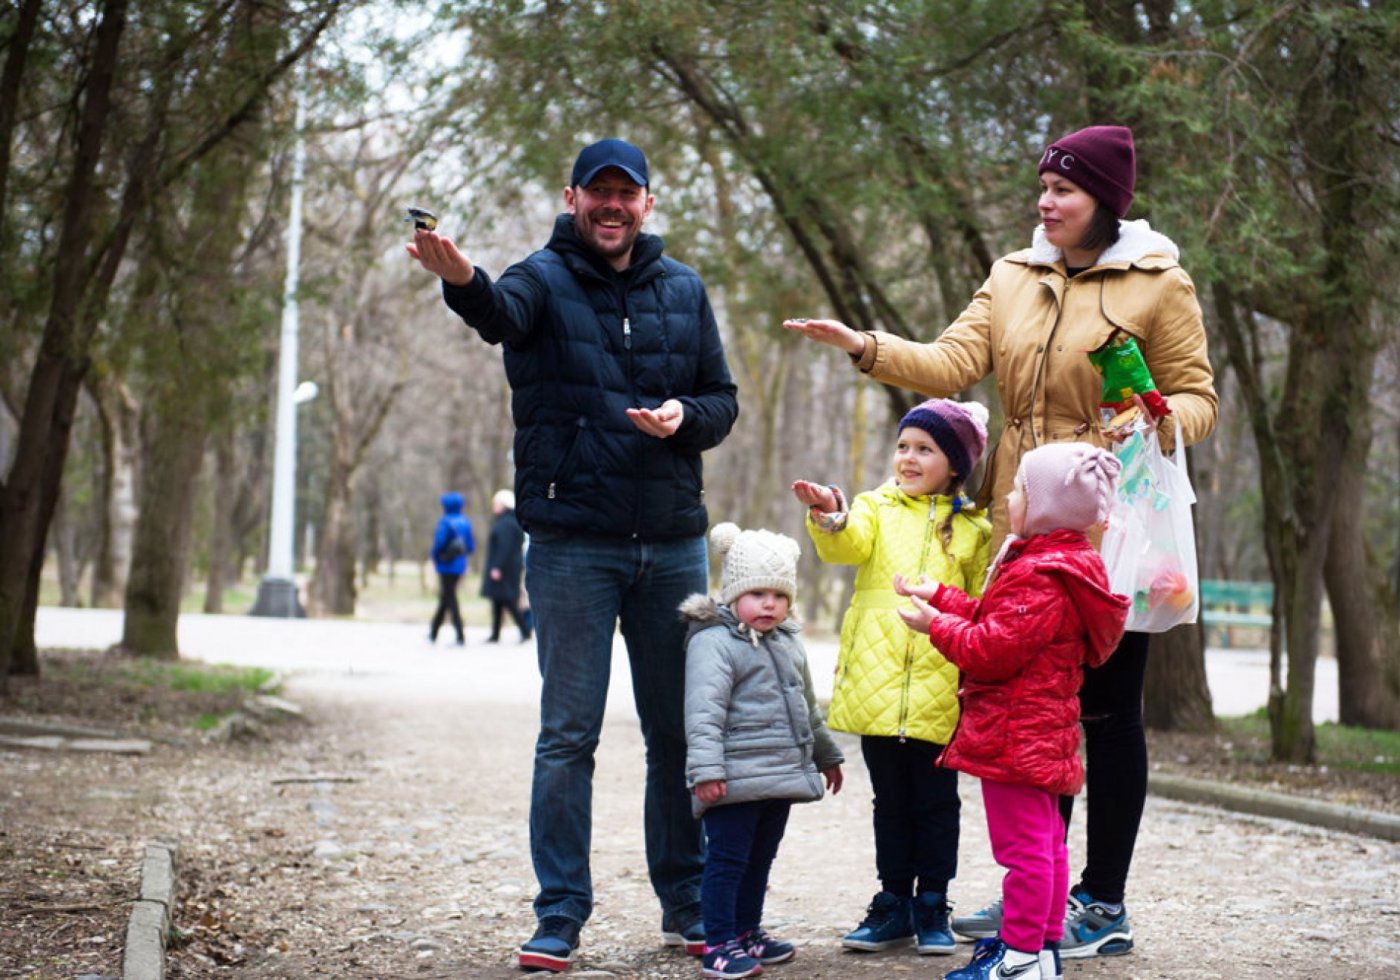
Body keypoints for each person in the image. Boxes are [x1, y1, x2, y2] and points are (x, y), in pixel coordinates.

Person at [783, 124, 1217, 959]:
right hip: (1022, 523)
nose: (1045, 202)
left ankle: (1102, 901)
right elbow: (952, 361)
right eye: (1043, 189)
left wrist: (1160, 421)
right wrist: (866, 348)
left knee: (1108, 711)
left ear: (1105, 202)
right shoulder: (1012, 276)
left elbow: (1198, 397)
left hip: (1109, 524)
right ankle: (1041, 894)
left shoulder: (1161, 284)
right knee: (1035, 709)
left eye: (1064, 191)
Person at [407, 137, 740, 973]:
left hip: (670, 545)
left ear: (648, 205)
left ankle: (688, 903)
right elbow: (499, 315)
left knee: (677, 734)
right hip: (570, 546)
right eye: (599, 193)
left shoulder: (682, 288)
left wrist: (682, 419)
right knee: (568, 736)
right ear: (572, 198)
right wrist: (461, 281)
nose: (613, 206)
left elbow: (721, 400)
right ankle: (559, 914)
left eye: (628, 193)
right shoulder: (540, 278)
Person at [896, 442, 1130, 980]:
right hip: (1040, 731)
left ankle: (1020, 956)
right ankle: (1042, 950)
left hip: (1013, 734)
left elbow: (991, 650)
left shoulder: (1038, 573)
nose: (1008, 495)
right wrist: (944, 597)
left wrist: (935, 626)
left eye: (1020, 489)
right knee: (1046, 845)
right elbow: (1002, 620)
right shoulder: (1063, 564)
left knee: (1024, 852)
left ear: (1046, 508)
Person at [791, 398, 993, 956]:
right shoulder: (875, 507)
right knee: (889, 801)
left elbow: (980, 605)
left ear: (954, 463)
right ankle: (892, 901)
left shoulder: (974, 527)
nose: (908, 457)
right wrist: (829, 514)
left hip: (940, 687)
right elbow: (844, 543)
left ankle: (932, 901)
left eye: (924, 449)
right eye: (903, 445)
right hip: (878, 685)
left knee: (936, 801)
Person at [681, 522, 844, 979]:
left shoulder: (787, 640)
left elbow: (805, 706)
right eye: (757, 593)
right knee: (728, 860)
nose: (769, 603)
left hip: (778, 775)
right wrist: (707, 770)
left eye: (778, 594)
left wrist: (826, 755)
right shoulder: (714, 643)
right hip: (731, 777)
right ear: (733, 594)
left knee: (760, 857)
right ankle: (718, 943)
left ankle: (747, 931)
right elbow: (703, 712)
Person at [480, 489, 530, 644]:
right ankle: (495, 633)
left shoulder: (505, 524)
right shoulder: (512, 521)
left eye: (496, 503)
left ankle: (524, 630)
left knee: (508, 601)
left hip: (504, 569)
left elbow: (504, 547)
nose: (494, 506)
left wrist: (497, 567)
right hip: (510, 568)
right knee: (498, 600)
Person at [429, 491, 475, 646]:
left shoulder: (445, 522)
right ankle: (433, 632)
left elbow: (439, 544)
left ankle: (460, 634)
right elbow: (470, 546)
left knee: (450, 598)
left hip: (446, 565)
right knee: (446, 598)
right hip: (459, 566)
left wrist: (435, 558)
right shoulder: (465, 522)